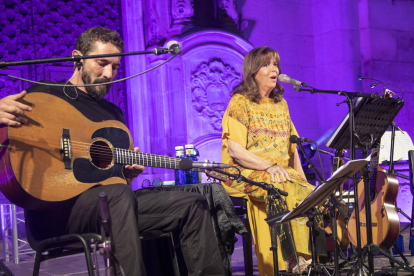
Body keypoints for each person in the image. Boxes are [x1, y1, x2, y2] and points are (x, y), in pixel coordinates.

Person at [0, 27, 225, 276]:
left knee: (194, 203)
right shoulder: (43, 95)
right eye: (101, 63)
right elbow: (13, 139)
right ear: (77, 58)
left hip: (111, 206)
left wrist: (127, 176)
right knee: (118, 196)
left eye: (115, 67)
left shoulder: (113, 115)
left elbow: (113, 181)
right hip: (56, 212)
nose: (109, 74)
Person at [221, 46, 325, 275]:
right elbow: (236, 151)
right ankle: (290, 261)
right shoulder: (240, 102)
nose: (273, 69)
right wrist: (269, 166)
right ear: (253, 71)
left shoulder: (281, 104)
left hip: (279, 173)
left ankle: (314, 259)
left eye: (275, 64)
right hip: (241, 173)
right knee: (278, 187)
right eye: (267, 64)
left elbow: (293, 150)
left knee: (311, 194)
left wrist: (306, 185)